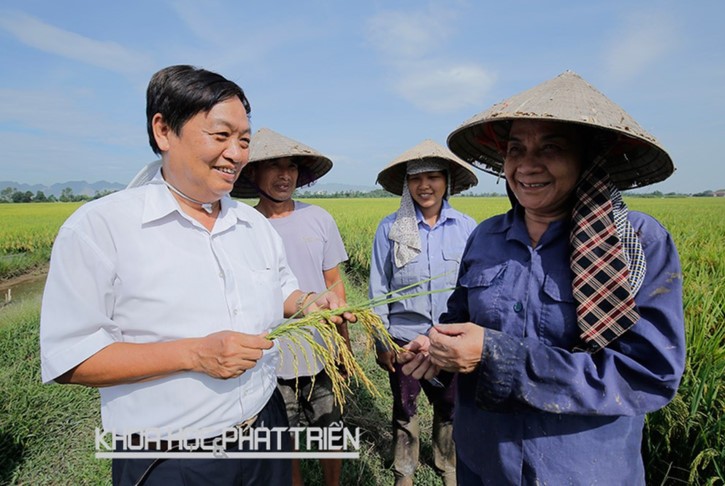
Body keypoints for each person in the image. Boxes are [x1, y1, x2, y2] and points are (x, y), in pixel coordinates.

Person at [39, 65, 353, 486]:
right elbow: (70, 358)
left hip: (266, 428)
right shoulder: (101, 228)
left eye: (243, 140)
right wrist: (194, 355)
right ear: (164, 131)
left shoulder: (253, 225)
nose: (237, 153)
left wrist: (308, 301)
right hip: (171, 455)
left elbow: (282, 289)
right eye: (221, 136)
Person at [400, 71, 686, 484]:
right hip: (484, 462)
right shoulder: (485, 237)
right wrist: (435, 346)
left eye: (550, 148)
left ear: (587, 159)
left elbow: (648, 373)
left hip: (582, 470)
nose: (527, 165)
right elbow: (457, 320)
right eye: (516, 149)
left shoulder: (635, 242)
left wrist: (498, 355)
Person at [232, 127, 350, 486]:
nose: (285, 175)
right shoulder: (242, 227)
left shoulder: (319, 218)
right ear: (252, 174)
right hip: (272, 356)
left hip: (321, 353)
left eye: (291, 167)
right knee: (285, 441)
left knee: (330, 432)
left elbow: (335, 287)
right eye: (274, 166)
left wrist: (344, 347)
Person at [369, 140, 478, 486]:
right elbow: (378, 287)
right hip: (404, 339)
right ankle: (405, 469)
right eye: (416, 178)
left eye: (433, 176)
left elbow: (474, 287)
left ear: (447, 180)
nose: (424, 185)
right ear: (406, 185)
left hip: (450, 338)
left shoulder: (466, 227)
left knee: (450, 407)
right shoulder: (390, 229)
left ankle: (447, 464)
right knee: (405, 408)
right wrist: (381, 340)